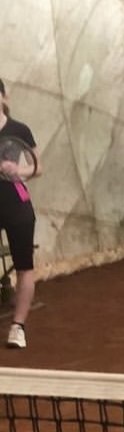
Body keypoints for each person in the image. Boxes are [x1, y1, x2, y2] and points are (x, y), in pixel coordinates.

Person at [0, 78, 39, 349]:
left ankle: (18, 327)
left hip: (16, 203)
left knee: (24, 266)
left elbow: (38, 166)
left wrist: (18, 170)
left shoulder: (19, 130)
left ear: (4, 97)